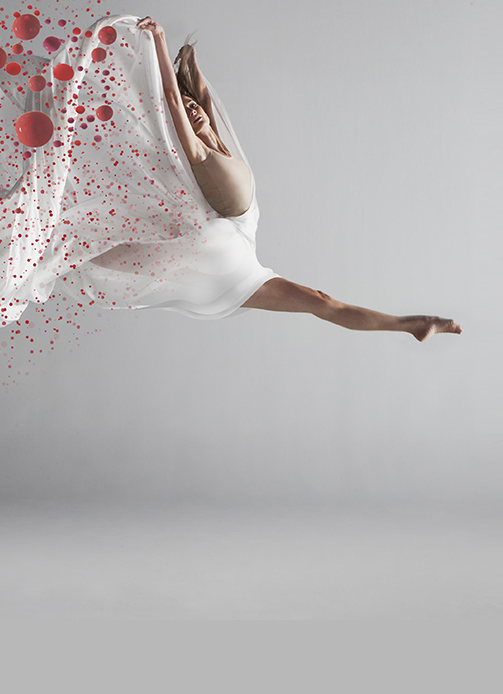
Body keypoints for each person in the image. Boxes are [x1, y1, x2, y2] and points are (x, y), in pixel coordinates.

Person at [137, 17, 462, 342]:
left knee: (323, 301)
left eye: (195, 105)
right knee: (321, 302)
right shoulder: (198, 152)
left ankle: (416, 324)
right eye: (186, 111)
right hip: (230, 261)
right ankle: (416, 323)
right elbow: (172, 95)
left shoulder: (218, 139)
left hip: (244, 240)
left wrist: (187, 67)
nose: (192, 111)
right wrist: (160, 39)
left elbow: (194, 96)